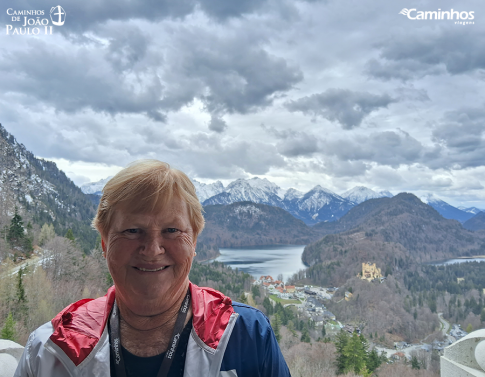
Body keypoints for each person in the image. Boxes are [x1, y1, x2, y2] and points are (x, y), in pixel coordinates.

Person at [14, 160, 291, 377]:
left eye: (172, 230)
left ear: (193, 242)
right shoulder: (50, 349)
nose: (153, 248)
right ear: (104, 243)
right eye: (132, 230)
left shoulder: (246, 336)